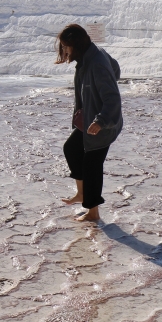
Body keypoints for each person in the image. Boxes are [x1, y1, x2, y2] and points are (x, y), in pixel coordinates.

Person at [56, 24, 123, 222]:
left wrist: (101, 120)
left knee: (92, 166)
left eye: (67, 46)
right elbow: (116, 69)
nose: (65, 50)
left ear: (76, 44)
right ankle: (82, 194)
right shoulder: (91, 54)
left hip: (103, 125)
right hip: (90, 120)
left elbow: (113, 99)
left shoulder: (96, 63)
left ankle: (93, 214)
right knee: (71, 149)